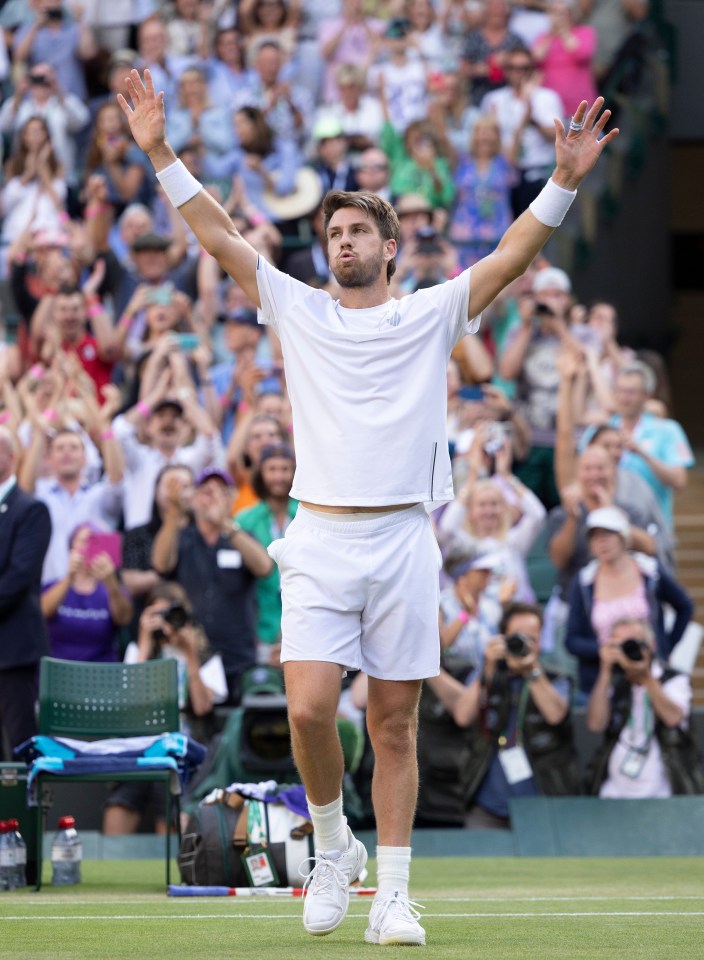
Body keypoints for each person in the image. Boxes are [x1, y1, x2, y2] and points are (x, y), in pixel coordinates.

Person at [118, 69, 617, 945]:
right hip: (318, 533)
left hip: (402, 538)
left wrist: (564, 180)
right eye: (333, 232)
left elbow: (510, 256)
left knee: (394, 724)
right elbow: (220, 237)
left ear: (389, 246)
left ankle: (391, 893)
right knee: (308, 709)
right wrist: (159, 151)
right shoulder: (298, 309)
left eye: (357, 231)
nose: (342, 241)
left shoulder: (432, 314)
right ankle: (331, 846)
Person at [423, 602, 580, 829]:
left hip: (543, 802)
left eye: (532, 638)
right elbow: (464, 715)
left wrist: (531, 671)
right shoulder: (490, 674)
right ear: (503, 637)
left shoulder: (556, 678)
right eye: (517, 637)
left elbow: (555, 715)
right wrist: (488, 668)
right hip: (487, 804)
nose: (524, 644)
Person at [151, 467, 273, 702]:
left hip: (238, 655)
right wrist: (174, 514)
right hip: (192, 655)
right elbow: (160, 564)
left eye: (221, 492)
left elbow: (264, 568)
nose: (213, 497)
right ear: (194, 498)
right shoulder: (181, 536)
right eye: (206, 491)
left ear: (231, 499)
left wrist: (226, 524)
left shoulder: (241, 536)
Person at [565, 507, 693, 698]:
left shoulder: (649, 570)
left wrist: (665, 646)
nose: (602, 541)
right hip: (602, 680)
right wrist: (602, 651)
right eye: (595, 536)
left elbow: (685, 606)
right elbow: (571, 639)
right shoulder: (584, 581)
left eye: (608, 534)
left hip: (650, 673)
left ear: (623, 537)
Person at [586, 617, 704, 797]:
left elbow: (673, 718)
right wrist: (604, 671)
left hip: (663, 790)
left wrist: (646, 677)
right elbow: (595, 724)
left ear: (651, 645)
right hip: (615, 791)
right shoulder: (616, 682)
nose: (627, 650)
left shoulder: (672, 678)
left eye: (632, 644)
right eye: (620, 645)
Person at [0, 426, 52, 760]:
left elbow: (20, 576)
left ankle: (22, 814)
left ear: (11, 456)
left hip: (12, 648)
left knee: (18, 744)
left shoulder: (30, 509)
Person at [237, 442, 298, 665]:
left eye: (285, 469)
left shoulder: (306, 514)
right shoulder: (245, 520)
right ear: (261, 474)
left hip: (303, 622)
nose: (279, 476)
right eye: (272, 469)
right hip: (261, 625)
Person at [41, 522, 133, 662]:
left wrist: (112, 584)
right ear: (72, 548)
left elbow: (124, 618)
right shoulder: (53, 585)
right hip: (59, 672)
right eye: (85, 541)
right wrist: (69, 578)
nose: (90, 547)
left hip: (101, 674)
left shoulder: (111, 589)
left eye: (95, 541)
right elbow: (43, 611)